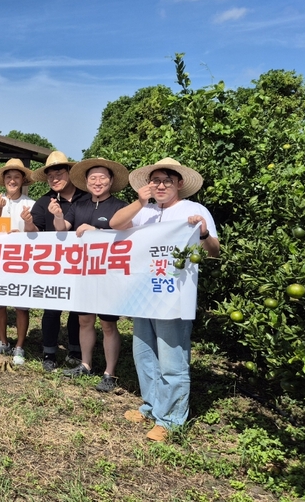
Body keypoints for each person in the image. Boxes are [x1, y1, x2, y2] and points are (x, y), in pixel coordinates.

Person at [109, 157, 220, 442]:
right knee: (144, 354)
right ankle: (151, 406)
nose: (160, 185)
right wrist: (139, 201)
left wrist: (203, 231)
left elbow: (214, 251)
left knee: (172, 358)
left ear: (179, 184)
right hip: (143, 294)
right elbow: (115, 223)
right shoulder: (144, 211)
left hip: (174, 296)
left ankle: (171, 419)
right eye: (155, 180)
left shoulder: (194, 210)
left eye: (166, 181)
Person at [59, 159, 130, 392]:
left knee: (108, 325)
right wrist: (57, 216)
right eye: (92, 178)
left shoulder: (121, 206)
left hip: (110, 275)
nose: (97, 182)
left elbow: (129, 237)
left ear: (111, 181)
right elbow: (62, 229)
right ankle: (86, 364)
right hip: (83, 273)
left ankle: (110, 373)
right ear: (86, 182)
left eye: (102, 178)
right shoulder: (78, 205)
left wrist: (97, 232)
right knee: (84, 321)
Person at [27, 151, 88, 372]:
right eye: (50, 175)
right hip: (53, 264)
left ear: (70, 173)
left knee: (77, 308)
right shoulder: (43, 202)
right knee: (52, 307)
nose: (54, 178)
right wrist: (27, 224)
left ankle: (75, 350)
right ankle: (49, 352)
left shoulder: (88, 198)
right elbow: (34, 231)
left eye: (59, 173)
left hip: (83, 263)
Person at [0, 159, 37, 365]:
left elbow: (36, 233)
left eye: (16, 177)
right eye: (9, 177)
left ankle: (20, 346)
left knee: (21, 306)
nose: (12, 181)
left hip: (22, 261)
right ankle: (3, 342)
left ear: (22, 180)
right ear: (3, 180)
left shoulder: (31, 204)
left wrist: (25, 227)